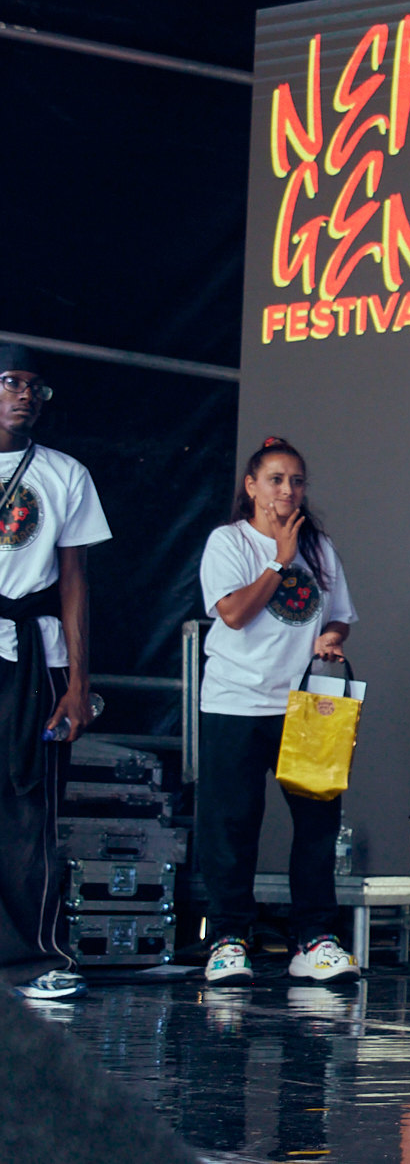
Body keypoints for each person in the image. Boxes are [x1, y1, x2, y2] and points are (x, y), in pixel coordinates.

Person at [196, 437, 361, 985]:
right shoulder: (228, 542)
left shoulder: (320, 547)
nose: (288, 490)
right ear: (250, 487)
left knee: (317, 825)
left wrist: (330, 640)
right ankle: (228, 939)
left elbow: (337, 617)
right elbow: (235, 615)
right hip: (236, 701)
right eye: (275, 479)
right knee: (233, 824)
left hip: (307, 705)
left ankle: (313, 939)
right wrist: (277, 562)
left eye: (296, 480)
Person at [0, 344, 110, 1000]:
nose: (22, 396)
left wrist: (76, 682)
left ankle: (30, 960)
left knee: (27, 807)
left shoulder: (66, 473)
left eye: (34, 387)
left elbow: (74, 583)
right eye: (10, 381)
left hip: (34, 653)